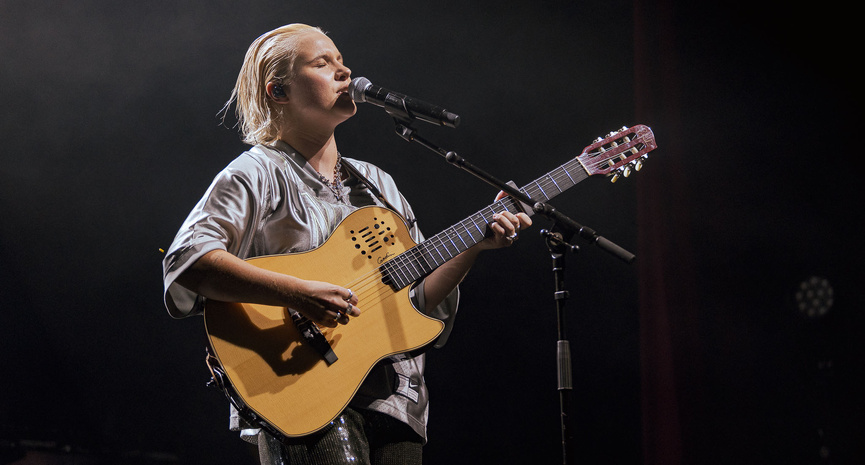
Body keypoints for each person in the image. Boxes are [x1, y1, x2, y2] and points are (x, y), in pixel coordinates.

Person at [161, 24, 531, 465]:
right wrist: (298, 293)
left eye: (341, 60)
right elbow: (189, 261)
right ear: (279, 91)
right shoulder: (255, 172)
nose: (344, 70)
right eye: (322, 63)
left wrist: (475, 245)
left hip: (397, 397)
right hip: (302, 387)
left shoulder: (377, 185)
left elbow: (419, 299)